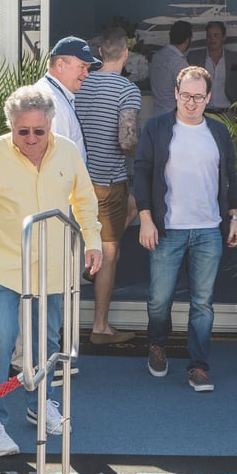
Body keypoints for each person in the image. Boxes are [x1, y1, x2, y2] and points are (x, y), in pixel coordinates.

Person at [0, 86, 103, 457]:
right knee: (2, 337)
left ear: (50, 126)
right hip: (3, 265)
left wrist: (94, 240)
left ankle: (41, 403)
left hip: (53, 267)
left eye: (39, 130)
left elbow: (84, 200)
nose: (32, 139)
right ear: (11, 127)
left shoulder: (67, 151)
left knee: (48, 342)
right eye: (23, 132)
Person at [134, 66, 237, 393]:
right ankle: (157, 344)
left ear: (209, 97)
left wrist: (234, 216)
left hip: (209, 229)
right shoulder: (157, 128)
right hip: (168, 229)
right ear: (176, 94)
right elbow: (141, 172)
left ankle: (198, 366)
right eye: (185, 96)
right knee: (158, 300)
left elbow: (231, 178)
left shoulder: (219, 133)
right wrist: (146, 218)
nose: (191, 103)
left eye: (198, 97)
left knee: (202, 303)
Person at [75, 28, 141, 345]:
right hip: (108, 180)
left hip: (77, 181)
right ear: (125, 54)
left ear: (100, 53)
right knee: (111, 252)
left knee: (132, 207)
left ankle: (90, 264)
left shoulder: (80, 83)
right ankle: (100, 326)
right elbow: (126, 140)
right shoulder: (127, 90)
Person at [34, 36, 102, 161]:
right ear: (60, 65)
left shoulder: (54, 94)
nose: (86, 74)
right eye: (82, 67)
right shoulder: (53, 102)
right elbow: (56, 161)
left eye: (88, 68)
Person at [187, 20, 237, 113]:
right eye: (209, 36)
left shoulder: (235, 58)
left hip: (228, 114)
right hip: (202, 114)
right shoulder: (194, 58)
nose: (212, 39)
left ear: (224, 37)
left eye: (216, 35)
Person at [149, 20, 192, 116]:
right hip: (173, 117)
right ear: (187, 40)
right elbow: (188, 93)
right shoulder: (179, 63)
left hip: (157, 114)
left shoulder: (156, 57)